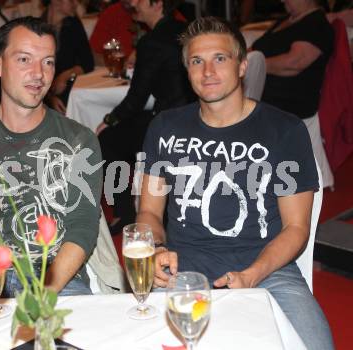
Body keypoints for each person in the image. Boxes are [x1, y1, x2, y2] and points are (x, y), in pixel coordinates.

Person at [138, 17, 334, 349]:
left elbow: (296, 228)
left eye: (220, 59)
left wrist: (253, 274)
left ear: (242, 66)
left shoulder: (284, 130)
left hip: (270, 273)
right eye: (197, 61)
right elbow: (149, 213)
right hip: (183, 274)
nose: (208, 71)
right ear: (187, 71)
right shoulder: (165, 127)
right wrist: (155, 250)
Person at [0, 16, 103, 300]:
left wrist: (45, 296)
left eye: (48, 62)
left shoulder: (79, 140)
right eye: (24, 59)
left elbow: (83, 228)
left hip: (58, 281)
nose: (39, 73)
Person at [96, 0, 195, 233]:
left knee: (108, 139)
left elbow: (136, 98)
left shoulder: (152, 41)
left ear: (158, 4)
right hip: (193, 117)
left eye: (139, 0)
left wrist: (109, 120)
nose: (132, 3)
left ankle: (123, 212)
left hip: (169, 126)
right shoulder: (186, 31)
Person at [251, 0, 333, 120]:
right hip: (261, 102)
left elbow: (294, 63)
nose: (282, 0)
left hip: (286, 109)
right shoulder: (285, 20)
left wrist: (251, 64)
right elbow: (255, 48)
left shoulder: (316, 24)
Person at [41, 0, 94, 113]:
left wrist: (66, 75)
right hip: (43, 95)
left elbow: (88, 62)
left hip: (68, 88)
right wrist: (50, 98)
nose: (76, 3)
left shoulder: (73, 23)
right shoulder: (37, 28)